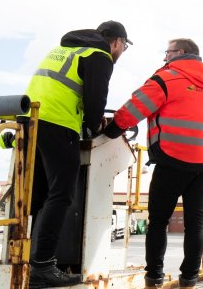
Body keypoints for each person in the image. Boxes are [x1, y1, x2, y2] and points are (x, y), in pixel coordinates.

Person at [103, 38, 203, 289]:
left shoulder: (166, 79)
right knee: (195, 222)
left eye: (167, 52)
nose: (164, 58)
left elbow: (134, 109)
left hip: (173, 158)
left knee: (158, 220)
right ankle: (189, 279)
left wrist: (111, 131)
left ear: (180, 53)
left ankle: (154, 278)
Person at [26, 21, 131, 288]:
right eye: (124, 47)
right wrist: (96, 125)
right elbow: (96, 100)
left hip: (30, 120)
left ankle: (27, 258)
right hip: (58, 124)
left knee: (37, 196)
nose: (121, 52)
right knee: (61, 194)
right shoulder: (100, 55)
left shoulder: (65, 49)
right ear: (117, 42)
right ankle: (43, 267)